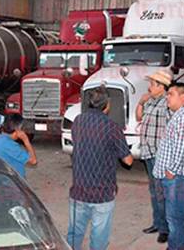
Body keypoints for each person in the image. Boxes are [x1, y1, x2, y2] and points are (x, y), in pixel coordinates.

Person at [67, 88, 133, 250]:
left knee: (74, 233)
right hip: (102, 193)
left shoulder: (78, 121)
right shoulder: (112, 128)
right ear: (107, 105)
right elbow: (129, 161)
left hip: (79, 190)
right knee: (99, 236)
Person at [153, 83, 184, 250]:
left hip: (178, 177)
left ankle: (177, 247)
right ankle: (183, 245)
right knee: (182, 215)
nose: (167, 97)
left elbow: (182, 144)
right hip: (178, 177)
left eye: (171, 94)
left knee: (174, 218)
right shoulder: (180, 114)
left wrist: (171, 170)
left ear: (183, 97)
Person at [136, 69, 172, 243]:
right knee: (153, 190)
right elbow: (139, 117)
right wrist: (141, 103)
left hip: (160, 154)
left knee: (161, 192)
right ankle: (157, 223)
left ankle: (165, 228)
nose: (149, 87)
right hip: (149, 152)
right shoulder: (150, 101)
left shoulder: (167, 103)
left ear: (161, 86)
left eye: (152, 84)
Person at [0, 114, 38, 178]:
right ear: (18, 129)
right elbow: (33, 161)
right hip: (11, 182)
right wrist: (26, 140)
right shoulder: (10, 145)